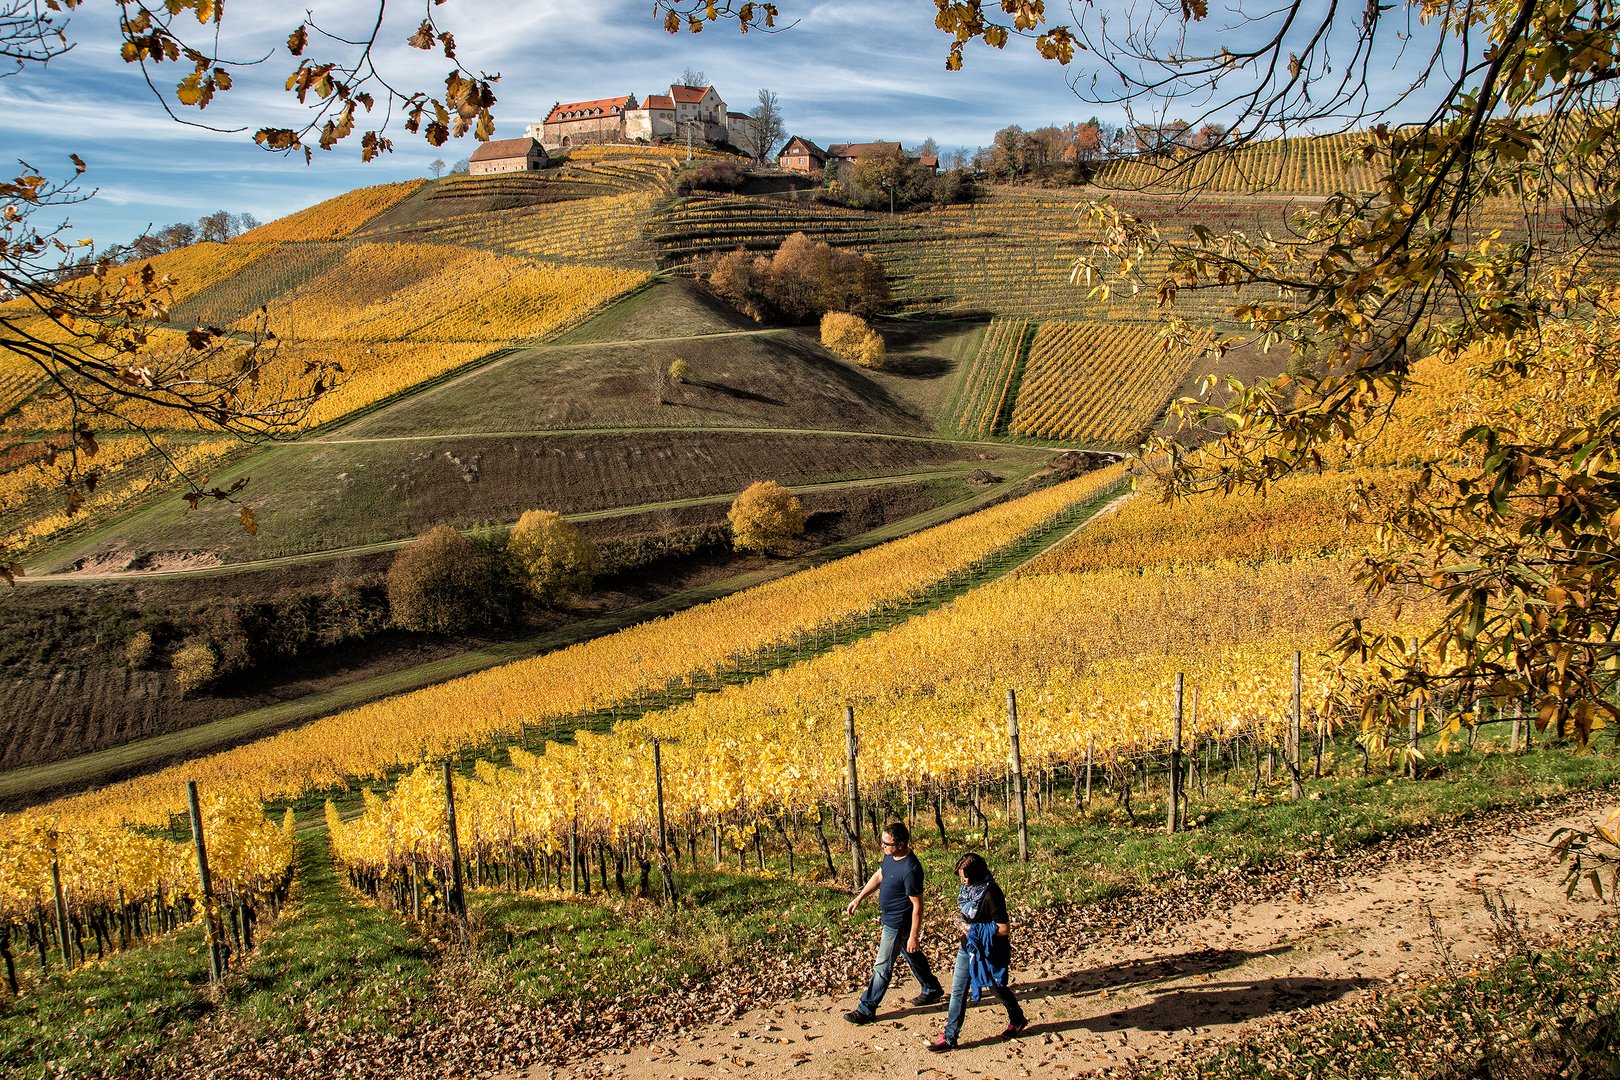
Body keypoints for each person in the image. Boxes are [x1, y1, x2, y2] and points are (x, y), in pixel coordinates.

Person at [843, 821, 944, 1024]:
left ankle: (866, 1008)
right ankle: (932, 988)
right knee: (911, 953)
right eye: (882, 842)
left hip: (898, 923)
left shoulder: (911, 869)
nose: (882, 846)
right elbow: (879, 875)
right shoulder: (890, 857)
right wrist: (859, 898)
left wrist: (914, 935)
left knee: (882, 966)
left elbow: (918, 906)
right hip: (889, 917)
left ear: (900, 843)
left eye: (886, 843)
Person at [928, 852, 1028, 1051]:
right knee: (958, 990)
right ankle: (950, 1037)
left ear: (976, 874)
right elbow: (969, 913)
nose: (962, 881)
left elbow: (1004, 928)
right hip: (968, 946)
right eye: (960, 876)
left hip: (989, 950)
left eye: (965, 876)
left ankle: (1017, 1018)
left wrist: (975, 929)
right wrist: (964, 925)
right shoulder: (969, 890)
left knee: (996, 988)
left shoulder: (992, 893)